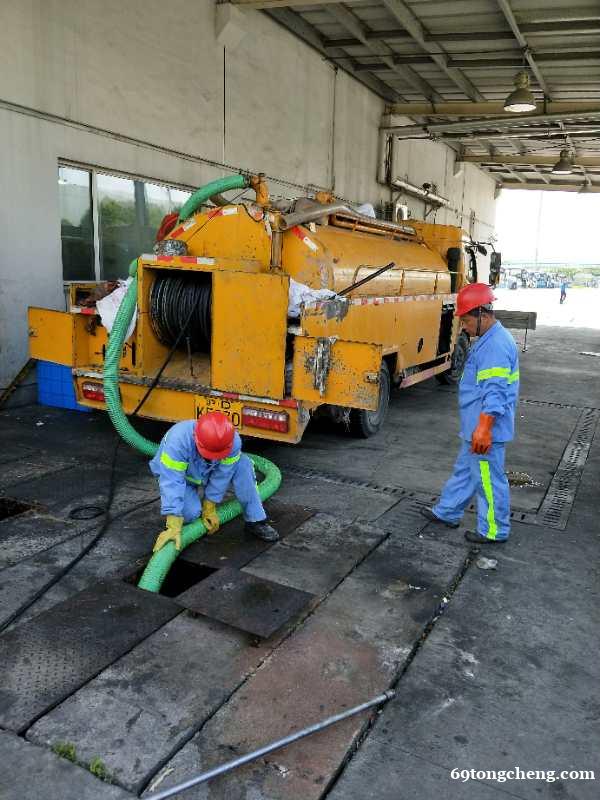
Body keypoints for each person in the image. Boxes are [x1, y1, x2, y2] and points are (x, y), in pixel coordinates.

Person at [420, 283, 519, 544]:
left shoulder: (495, 346)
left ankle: (494, 530)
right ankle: (447, 512)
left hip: (485, 430)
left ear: (482, 315)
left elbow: (495, 393)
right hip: (475, 428)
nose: (463, 327)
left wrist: (484, 429)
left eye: (465, 321)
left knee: (488, 480)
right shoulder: (489, 339)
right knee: (465, 471)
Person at [150, 411, 279, 552]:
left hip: (208, 471)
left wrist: (210, 504)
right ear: (197, 439)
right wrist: (173, 522)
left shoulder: (232, 441)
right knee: (190, 514)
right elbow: (171, 481)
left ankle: (255, 519)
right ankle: (180, 521)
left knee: (243, 465)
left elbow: (222, 475)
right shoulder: (178, 440)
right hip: (183, 478)